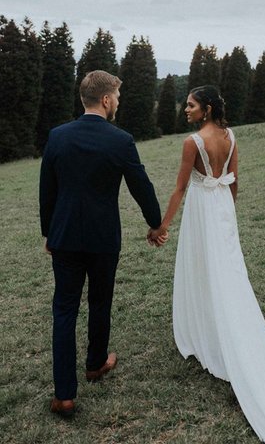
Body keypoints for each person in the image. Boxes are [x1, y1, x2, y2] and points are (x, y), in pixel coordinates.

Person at [148, 85, 265, 444]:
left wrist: (162, 226)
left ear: (206, 109)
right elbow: (235, 182)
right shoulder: (231, 136)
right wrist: (227, 215)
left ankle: (211, 333)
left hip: (201, 210)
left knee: (204, 270)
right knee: (227, 273)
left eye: (191, 105)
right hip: (222, 208)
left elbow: (180, 188)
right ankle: (214, 328)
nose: (186, 110)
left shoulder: (192, 142)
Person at [40, 70, 166, 417]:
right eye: (118, 98)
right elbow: (141, 186)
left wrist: (48, 232)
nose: (118, 104)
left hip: (64, 236)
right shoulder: (120, 140)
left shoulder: (57, 136)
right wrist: (155, 224)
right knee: (100, 301)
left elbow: (47, 189)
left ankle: (64, 394)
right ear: (107, 100)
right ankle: (95, 364)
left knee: (64, 310)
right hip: (103, 238)